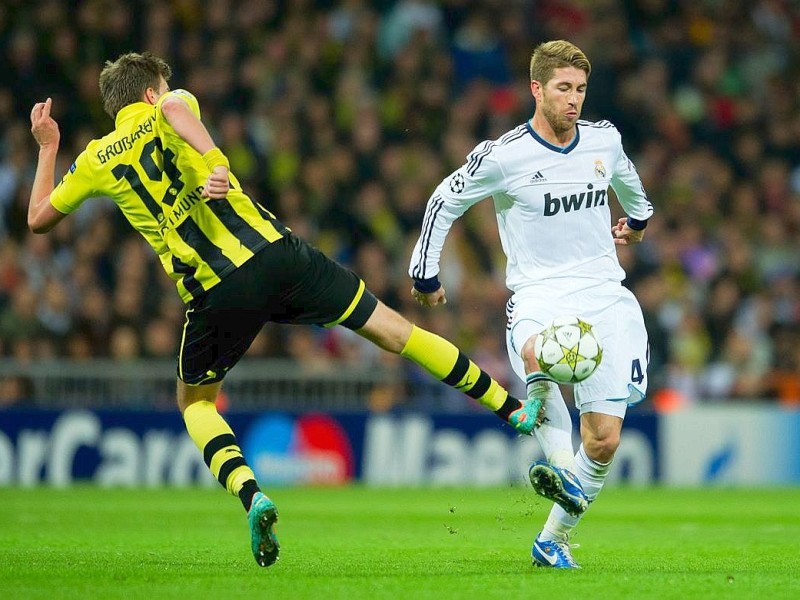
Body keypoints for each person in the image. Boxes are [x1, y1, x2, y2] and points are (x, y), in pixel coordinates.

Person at [27, 52, 542, 568]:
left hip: (215, 291)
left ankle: (254, 495)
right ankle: (510, 407)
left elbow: (38, 218)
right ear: (150, 93)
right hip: (278, 255)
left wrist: (49, 147)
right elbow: (177, 114)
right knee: (396, 331)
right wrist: (217, 161)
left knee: (195, 404)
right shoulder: (170, 103)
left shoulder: (95, 158)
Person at [409, 40, 653, 569]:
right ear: (537, 89)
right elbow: (442, 201)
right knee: (537, 355)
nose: (574, 100)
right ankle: (560, 466)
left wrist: (635, 223)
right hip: (538, 293)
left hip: (605, 295)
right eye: (563, 88)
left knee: (606, 441)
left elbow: (635, 192)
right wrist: (424, 273)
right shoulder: (503, 155)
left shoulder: (603, 142)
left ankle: (552, 540)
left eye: (581, 89)